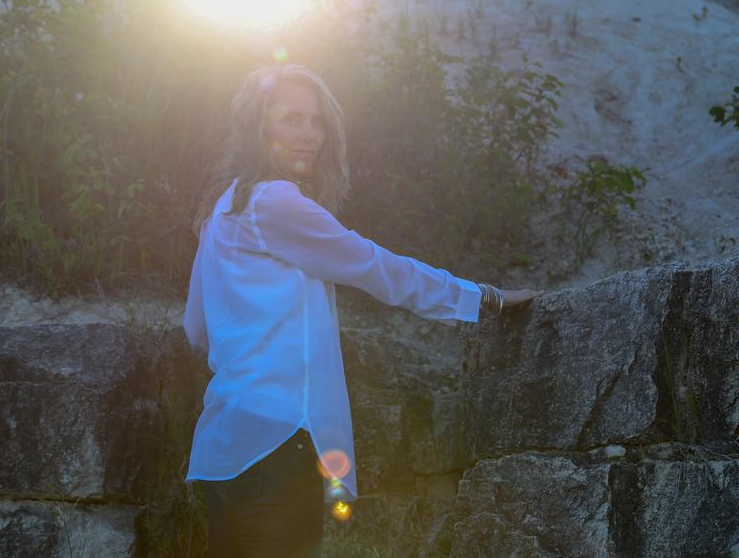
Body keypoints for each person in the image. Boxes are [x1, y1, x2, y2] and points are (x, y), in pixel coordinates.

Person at [182, 64, 545, 557]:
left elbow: (196, 328)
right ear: (257, 126)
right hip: (278, 442)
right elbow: (375, 266)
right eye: (292, 118)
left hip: (224, 447)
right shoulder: (274, 202)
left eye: (317, 122)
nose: (309, 134)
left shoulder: (222, 210)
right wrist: (482, 297)